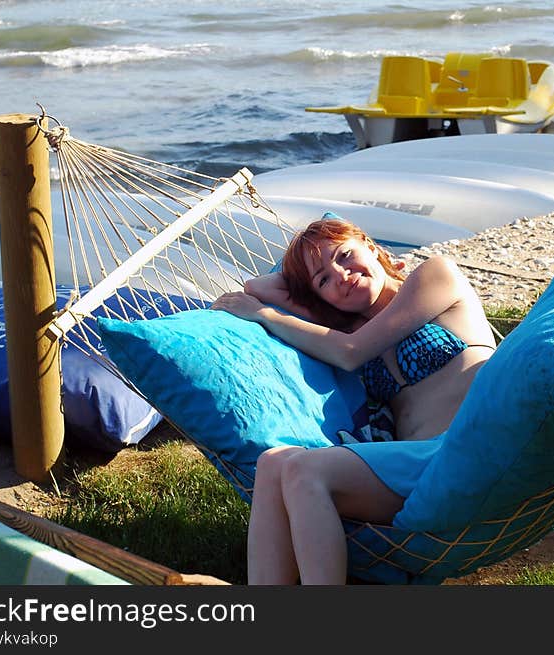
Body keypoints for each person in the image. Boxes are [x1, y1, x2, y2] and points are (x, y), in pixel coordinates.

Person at [210, 218, 496, 584]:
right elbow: (259, 285)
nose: (342, 275)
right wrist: (312, 282)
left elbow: (350, 353)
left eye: (346, 256)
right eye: (324, 280)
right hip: (412, 471)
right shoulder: (349, 327)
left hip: (469, 448)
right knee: (272, 464)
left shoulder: (435, 275)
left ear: (370, 245)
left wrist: (264, 314)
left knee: (304, 470)